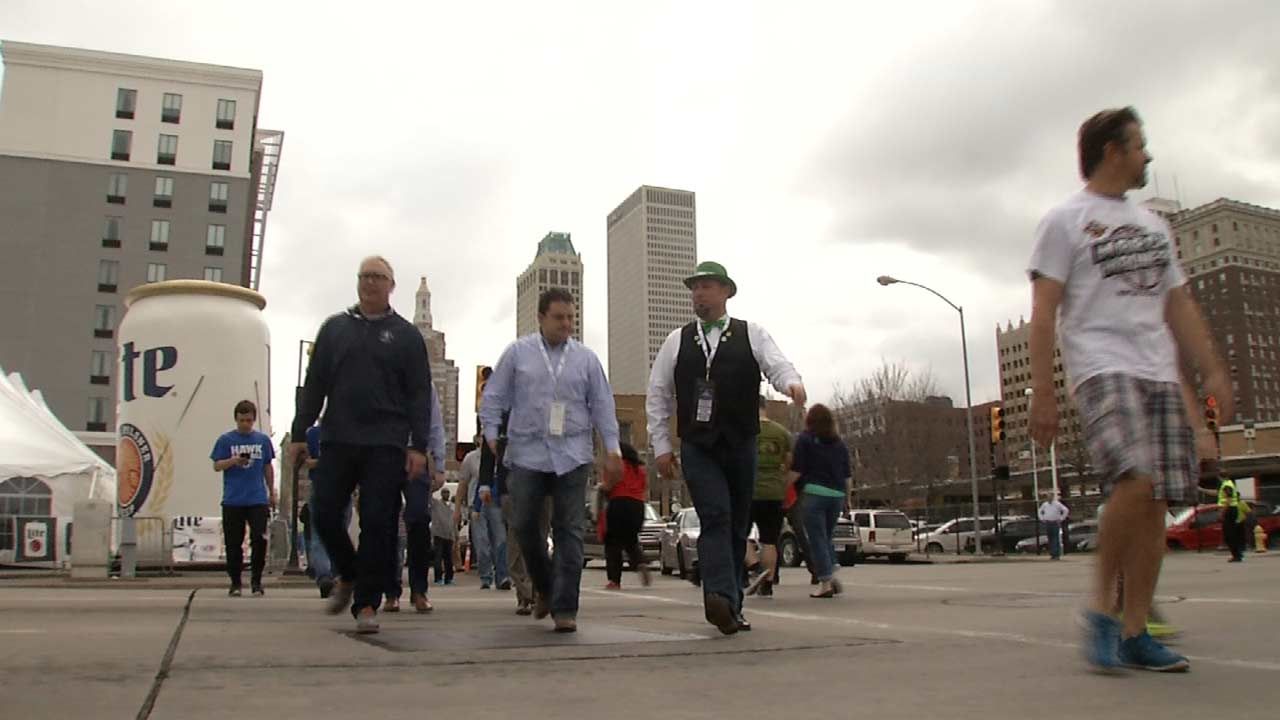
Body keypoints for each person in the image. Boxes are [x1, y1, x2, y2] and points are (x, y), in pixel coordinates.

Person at [1028, 108, 1230, 672]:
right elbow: (1044, 310)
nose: (1148, 156)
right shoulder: (1065, 220)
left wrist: (1210, 371)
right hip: (1101, 366)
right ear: (1112, 151)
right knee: (1134, 477)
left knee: (1157, 501)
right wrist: (1043, 391)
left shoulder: (1154, 227)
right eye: (1140, 146)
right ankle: (1101, 611)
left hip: (1158, 371)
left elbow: (1178, 305)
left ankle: (1136, 630)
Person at [646, 261, 805, 635]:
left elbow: (777, 366)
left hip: (741, 442)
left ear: (726, 292)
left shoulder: (752, 334)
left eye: (706, 286)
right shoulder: (677, 340)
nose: (698, 293)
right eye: (695, 287)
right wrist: (662, 447)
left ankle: (732, 603)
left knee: (736, 525)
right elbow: (658, 394)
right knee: (715, 516)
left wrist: (792, 385)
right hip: (699, 445)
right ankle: (717, 596)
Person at [288, 255, 433, 634]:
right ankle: (348, 573)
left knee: (378, 522)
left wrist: (419, 446)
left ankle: (366, 603)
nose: (371, 283)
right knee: (322, 512)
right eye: (365, 276)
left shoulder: (406, 336)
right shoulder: (335, 329)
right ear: (357, 282)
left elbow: (419, 395)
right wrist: (300, 432)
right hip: (338, 437)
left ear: (391, 286)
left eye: (379, 277)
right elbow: (315, 384)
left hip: (386, 443)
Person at [480, 288, 623, 633]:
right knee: (525, 526)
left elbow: (602, 405)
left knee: (569, 531)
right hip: (527, 454)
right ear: (541, 318)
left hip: (573, 456)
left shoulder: (586, 359)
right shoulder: (517, 354)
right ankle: (543, 585)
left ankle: (565, 607)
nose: (567, 323)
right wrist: (490, 431)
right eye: (559, 317)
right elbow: (494, 396)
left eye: (571, 317)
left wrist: (612, 448)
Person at [386, 383, 448, 613]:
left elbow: (435, 424)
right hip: (386, 456)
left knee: (419, 519)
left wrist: (439, 465)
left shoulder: (424, 384)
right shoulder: (379, 375)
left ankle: (419, 590)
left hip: (418, 457)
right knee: (386, 523)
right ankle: (391, 592)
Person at [210, 400, 277, 597]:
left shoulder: (263, 440)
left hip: (257, 498)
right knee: (233, 543)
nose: (245, 424)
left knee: (259, 539)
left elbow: (267, 466)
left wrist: (271, 491)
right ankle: (236, 582)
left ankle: (256, 580)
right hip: (233, 499)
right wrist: (233, 461)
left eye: (249, 420)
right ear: (236, 419)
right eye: (242, 420)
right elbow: (216, 465)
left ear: (254, 420)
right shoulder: (226, 440)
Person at [789, 405, 850, 599]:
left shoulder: (805, 440)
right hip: (837, 495)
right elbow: (847, 475)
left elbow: (797, 471)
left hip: (814, 493)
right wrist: (848, 499)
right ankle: (831, 571)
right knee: (826, 535)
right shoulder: (839, 444)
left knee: (816, 538)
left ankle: (825, 581)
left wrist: (784, 487)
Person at [747, 396, 792, 598]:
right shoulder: (782, 433)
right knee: (769, 540)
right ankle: (768, 583)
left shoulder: (745, 431)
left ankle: (755, 565)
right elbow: (789, 463)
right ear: (766, 408)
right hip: (774, 491)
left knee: (739, 534)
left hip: (749, 489)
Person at [455, 438, 509, 590]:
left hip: (496, 504)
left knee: (501, 540)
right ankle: (486, 576)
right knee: (482, 542)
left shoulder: (503, 454)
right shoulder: (471, 458)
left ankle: (502, 576)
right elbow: (463, 485)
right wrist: (458, 509)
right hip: (477, 504)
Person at [602, 443, 652, 590]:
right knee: (630, 540)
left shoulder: (615, 466)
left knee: (612, 543)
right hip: (638, 506)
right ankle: (640, 562)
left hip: (619, 503)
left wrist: (601, 488)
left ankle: (614, 580)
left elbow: (608, 486)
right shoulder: (640, 470)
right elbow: (645, 488)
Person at [431, 488, 457, 585]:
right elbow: (429, 497)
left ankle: (449, 578)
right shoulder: (436, 504)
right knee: (438, 557)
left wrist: (455, 535)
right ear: (441, 494)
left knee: (448, 558)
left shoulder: (452, 506)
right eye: (444, 492)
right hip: (439, 534)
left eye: (447, 492)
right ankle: (438, 578)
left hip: (449, 535)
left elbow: (454, 522)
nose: (446, 494)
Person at [1218, 477, 1246, 563]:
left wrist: (1222, 513)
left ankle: (1236, 555)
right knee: (1231, 534)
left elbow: (1228, 500)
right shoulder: (1229, 484)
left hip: (1230, 510)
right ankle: (1237, 555)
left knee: (1229, 535)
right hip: (1232, 509)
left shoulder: (1226, 485)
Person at [1037, 493, 1070, 560]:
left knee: (1055, 538)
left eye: (1050, 497)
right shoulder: (1045, 504)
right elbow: (1039, 511)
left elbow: (1066, 510)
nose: (1049, 498)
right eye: (1048, 497)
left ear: (1052, 497)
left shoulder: (1057, 504)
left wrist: (1061, 518)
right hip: (1048, 522)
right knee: (1050, 539)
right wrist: (1042, 518)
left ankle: (1056, 554)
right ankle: (1052, 554)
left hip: (1055, 522)